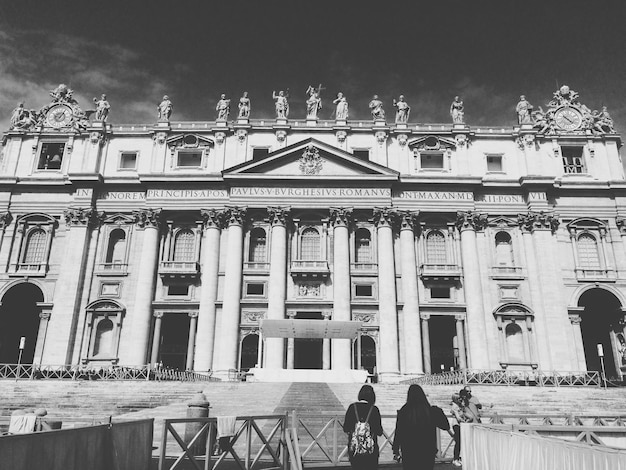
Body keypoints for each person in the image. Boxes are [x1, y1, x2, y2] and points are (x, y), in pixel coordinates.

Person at [392, 384, 450, 470]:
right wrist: (439, 411)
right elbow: (446, 426)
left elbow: (399, 432)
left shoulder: (404, 411)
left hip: (409, 451)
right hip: (427, 451)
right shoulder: (431, 411)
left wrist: (395, 449)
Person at [343, 384, 383, 470]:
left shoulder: (352, 407)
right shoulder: (374, 409)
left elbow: (345, 428)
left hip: (355, 449)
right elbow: (379, 432)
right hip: (370, 450)